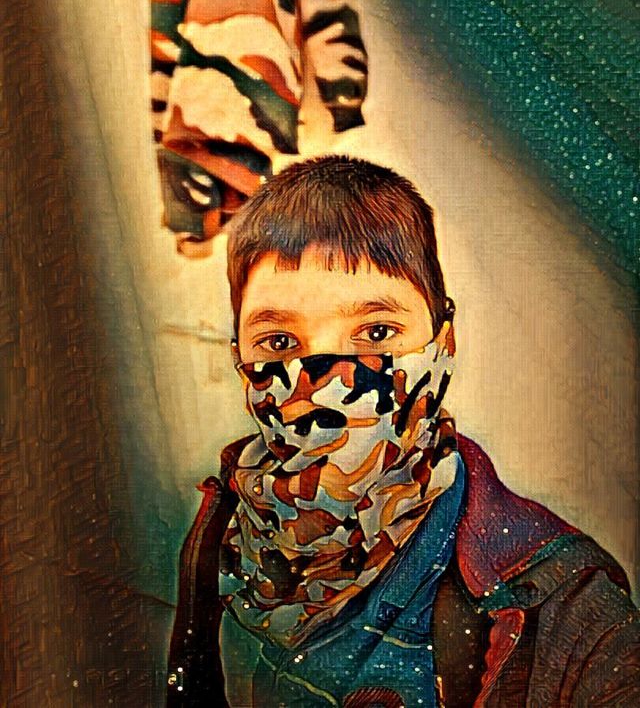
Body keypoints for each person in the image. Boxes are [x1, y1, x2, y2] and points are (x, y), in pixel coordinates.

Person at [166, 155, 639, 707]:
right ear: (239, 359)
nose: (327, 384)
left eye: (376, 332)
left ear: (443, 343)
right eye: (279, 342)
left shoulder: (563, 610)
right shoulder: (223, 531)